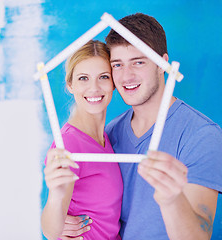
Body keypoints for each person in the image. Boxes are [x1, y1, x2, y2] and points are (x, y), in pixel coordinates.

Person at [60, 13, 222, 239]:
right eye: (118, 64)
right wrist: (66, 221)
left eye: (138, 62)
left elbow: (200, 235)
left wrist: (171, 200)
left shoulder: (202, 135)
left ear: (163, 63)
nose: (127, 76)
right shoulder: (109, 135)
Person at [41, 40, 123, 240]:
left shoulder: (106, 136)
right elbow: (51, 231)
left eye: (103, 77)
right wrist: (56, 195)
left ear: (113, 82)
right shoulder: (68, 145)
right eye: (83, 78)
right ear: (70, 85)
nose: (94, 88)